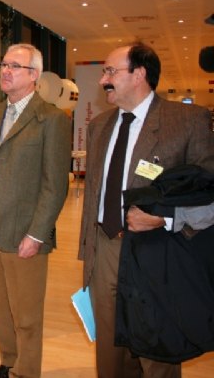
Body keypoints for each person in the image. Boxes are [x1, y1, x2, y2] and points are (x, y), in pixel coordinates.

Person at [78, 42, 214, 378]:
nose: (102, 80)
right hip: (106, 248)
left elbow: (208, 195)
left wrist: (164, 219)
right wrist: (88, 252)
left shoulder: (187, 121)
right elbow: (95, 191)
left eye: (111, 71)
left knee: (157, 350)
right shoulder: (100, 127)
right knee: (110, 351)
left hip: (159, 252)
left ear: (139, 74)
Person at [0, 43, 71, 378]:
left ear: (34, 76)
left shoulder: (52, 119)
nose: (5, 71)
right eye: (3, 65)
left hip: (25, 231)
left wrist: (37, 234)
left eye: (15, 66)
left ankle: (27, 372)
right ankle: (9, 360)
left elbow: (55, 185)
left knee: (26, 313)